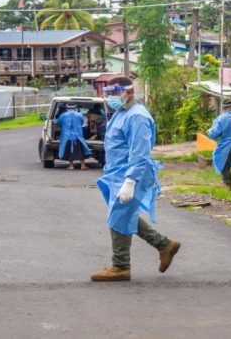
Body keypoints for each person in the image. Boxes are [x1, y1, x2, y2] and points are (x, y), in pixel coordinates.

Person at [92, 77, 180, 282]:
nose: (110, 98)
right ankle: (164, 245)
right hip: (117, 174)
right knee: (124, 213)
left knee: (119, 216)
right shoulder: (122, 112)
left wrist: (130, 181)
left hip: (131, 174)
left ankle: (121, 266)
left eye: (113, 94)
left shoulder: (137, 116)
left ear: (128, 93)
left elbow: (140, 153)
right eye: (109, 94)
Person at [56, 103, 91, 170]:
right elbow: (82, 122)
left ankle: (71, 166)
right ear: (75, 108)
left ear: (67, 108)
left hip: (66, 136)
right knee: (80, 151)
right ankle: (83, 165)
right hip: (78, 136)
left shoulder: (63, 115)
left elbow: (59, 123)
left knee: (69, 151)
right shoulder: (79, 115)